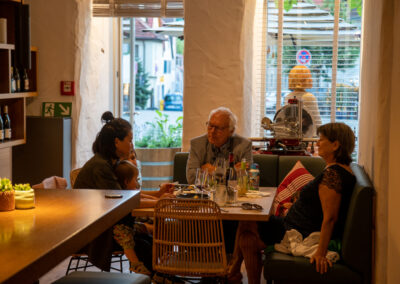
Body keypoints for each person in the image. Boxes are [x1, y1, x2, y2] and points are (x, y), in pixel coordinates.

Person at [228, 122, 356, 284]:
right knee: (247, 230)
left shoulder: (333, 175)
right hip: (294, 223)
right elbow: (317, 205)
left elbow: (330, 218)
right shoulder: (337, 170)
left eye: (321, 139)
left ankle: (233, 270)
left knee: (247, 224)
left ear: (335, 145)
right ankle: (234, 271)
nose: (316, 143)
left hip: (298, 232)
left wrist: (320, 253)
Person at [113, 160, 174, 276]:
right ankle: (136, 264)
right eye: (135, 180)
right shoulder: (123, 194)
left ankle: (159, 270)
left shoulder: (128, 191)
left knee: (148, 240)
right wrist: (159, 201)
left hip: (130, 225)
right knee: (130, 241)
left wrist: (158, 198)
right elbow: (137, 200)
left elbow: (139, 195)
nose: (137, 183)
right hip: (121, 228)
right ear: (126, 182)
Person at [186, 106, 253, 184]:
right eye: (210, 125)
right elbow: (191, 178)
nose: (212, 131)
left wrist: (213, 170)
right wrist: (232, 172)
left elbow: (247, 178)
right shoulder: (197, 144)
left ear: (231, 131)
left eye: (218, 128)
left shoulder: (244, 145)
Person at [284, 65, 322, 137]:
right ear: (305, 79)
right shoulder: (309, 97)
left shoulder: (288, 97)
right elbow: (317, 121)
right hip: (309, 136)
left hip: (292, 136)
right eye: (309, 76)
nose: (311, 79)